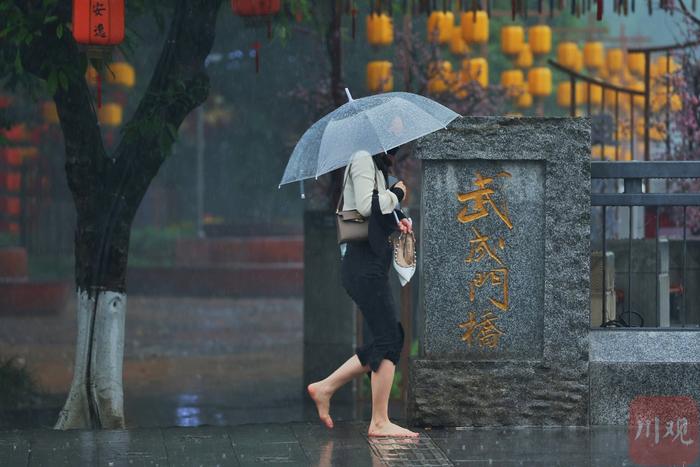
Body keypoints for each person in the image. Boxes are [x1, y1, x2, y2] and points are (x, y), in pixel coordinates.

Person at [307, 146, 417, 437]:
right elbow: (369, 206)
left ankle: (325, 387)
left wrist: (398, 220)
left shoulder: (377, 167)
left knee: (388, 339)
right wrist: (398, 193)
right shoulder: (361, 158)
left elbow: (375, 217)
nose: (397, 150)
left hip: (372, 268)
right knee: (389, 339)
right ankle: (378, 421)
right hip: (362, 268)